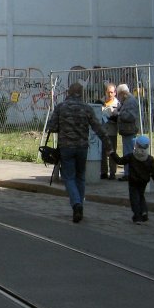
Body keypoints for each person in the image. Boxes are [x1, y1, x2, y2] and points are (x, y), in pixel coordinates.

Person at [46, 82, 111, 223]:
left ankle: (76, 204)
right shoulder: (86, 108)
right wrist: (108, 147)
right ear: (82, 93)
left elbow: (51, 127)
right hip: (82, 147)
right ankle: (80, 204)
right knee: (80, 177)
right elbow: (98, 128)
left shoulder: (61, 107)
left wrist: (63, 127)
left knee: (69, 177)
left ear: (68, 92)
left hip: (66, 147)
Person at [111, 135, 154, 224]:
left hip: (133, 181)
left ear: (136, 145)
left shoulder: (131, 156)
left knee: (134, 199)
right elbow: (153, 171)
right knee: (141, 196)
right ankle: (144, 212)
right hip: (144, 181)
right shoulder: (150, 158)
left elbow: (120, 161)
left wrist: (112, 153)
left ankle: (137, 217)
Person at [115, 84, 141, 180]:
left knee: (129, 152)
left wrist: (118, 114)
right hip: (127, 130)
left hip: (130, 130)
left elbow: (130, 116)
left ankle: (129, 174)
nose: (118, 97)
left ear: (123, 93)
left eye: (119, 94)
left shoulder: (130, 101)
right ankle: (128, 173)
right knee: (127, 151)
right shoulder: (127, 100)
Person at [100, 82, 119, 180]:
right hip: (102, 131)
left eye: (112, 92)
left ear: (115, 93)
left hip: (112, 131)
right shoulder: (100, 102)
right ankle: (103, 172)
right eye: (108, 92)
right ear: (105, 92)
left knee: (112, 152)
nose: (110, 94)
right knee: (102, 152)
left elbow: (120, 117)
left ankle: (112, 173)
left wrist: (114, 118)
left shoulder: (118, 104)